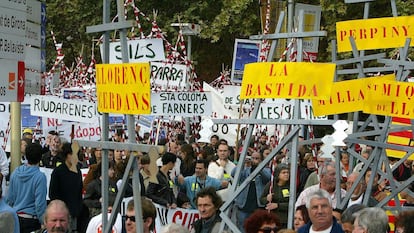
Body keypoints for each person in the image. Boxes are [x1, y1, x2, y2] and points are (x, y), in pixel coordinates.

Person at [7, 142, 47, 233]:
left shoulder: (16, 172)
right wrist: (43, 221)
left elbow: (10, 198)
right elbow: (40, 204)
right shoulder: (40, 177)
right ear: (40, 157)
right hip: (31, 221)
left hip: (15, 218)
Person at [49, 142, 83, 232]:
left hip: (74, 213)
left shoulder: (77, 171)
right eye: (72, 154)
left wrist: (78, 209)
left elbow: (79, 192)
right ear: (67, 155)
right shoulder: (58, 172)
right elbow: (53, 193)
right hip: (61, 214)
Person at [233, 151, 271, 230]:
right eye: (252, 158)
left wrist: (259, 167)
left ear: (261, 160)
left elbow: (268, 178)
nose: (254, 160)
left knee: (258, 229)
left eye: (257, 158)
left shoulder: (266, 170)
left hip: (258, 206)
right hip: (243, 205)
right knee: (242, 228)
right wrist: (242, 163)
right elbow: (233, 174)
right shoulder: (245, 170)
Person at [260, 164, 290, 228]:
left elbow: (293, 203)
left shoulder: (291, 186)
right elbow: (261, 200)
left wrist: (278, 205)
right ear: (278, 174)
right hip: (273, 219)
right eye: (283, 172)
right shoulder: (271, 185)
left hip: (286, 220)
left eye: (287, 172)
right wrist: (267, 199)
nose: (286, 174)